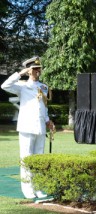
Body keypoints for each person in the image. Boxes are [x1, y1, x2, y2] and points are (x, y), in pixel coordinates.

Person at [1, 56, 54, 199]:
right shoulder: (22, 85)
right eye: (35, 69)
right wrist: (20, 73)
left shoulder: (44, 87)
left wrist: (48, 120)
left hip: (40, 127)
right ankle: (27, 188)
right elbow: (4, 86)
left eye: (39, 69)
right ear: (29, 71)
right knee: (26, 158)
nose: (38, 71)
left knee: (38, 158)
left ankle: (37, 187)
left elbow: (44, 106)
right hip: (26, 126)